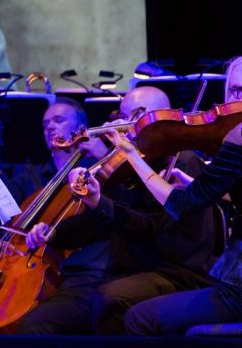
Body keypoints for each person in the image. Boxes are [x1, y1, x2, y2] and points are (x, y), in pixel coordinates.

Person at [24, 85, 217, 334]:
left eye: (135, 116)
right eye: (123, 116)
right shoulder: (129, 164)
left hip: (172, 273)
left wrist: (100, 202)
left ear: (161, 117)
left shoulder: (183, 162)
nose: (124, 125)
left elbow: (151, 228)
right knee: (38, 321)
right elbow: (98, 223)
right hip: (125, 272)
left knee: (109, 298)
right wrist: (54, 233)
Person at [108, 56, 242, 335]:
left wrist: (132, 155)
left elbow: (180, 206)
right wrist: (196, 183)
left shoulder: (239, 137)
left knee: (138, 318)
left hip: (237, 288)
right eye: (234, 91)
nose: (236, 100)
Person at [2, 98, 112, 334]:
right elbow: (4, 220)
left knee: (30, 322)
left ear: (82, 128)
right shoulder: (29, 175)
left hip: (82, 274)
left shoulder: (98, 172)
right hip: (27, 268)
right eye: (45, 124)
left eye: (59, 120)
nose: (50, 127)